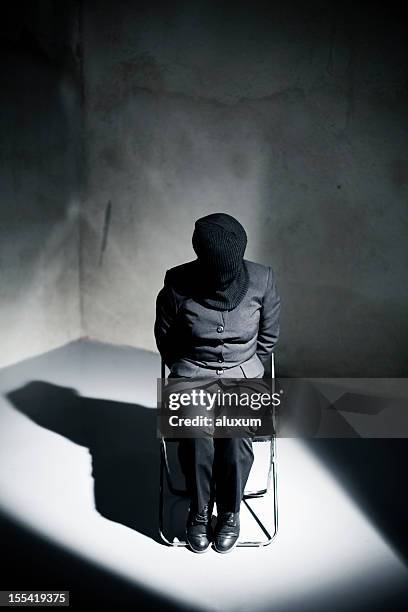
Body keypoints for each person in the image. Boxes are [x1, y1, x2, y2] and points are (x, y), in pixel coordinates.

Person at [154, 212, 281, 553]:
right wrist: (191, 373)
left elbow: (268, 339)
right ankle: (198, 511)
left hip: (244, 375)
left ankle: (229, 512)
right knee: (197, 434)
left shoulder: (262, 279)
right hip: (194, 373)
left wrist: (244, 376)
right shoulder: (177, 283)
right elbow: (166, 339)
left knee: (236, 435)